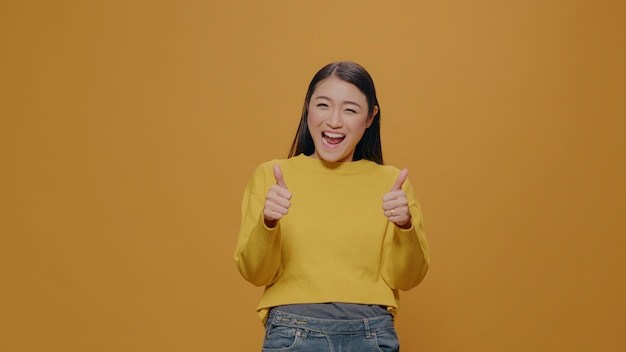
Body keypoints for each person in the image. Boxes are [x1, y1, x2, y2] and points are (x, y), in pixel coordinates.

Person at [234, 61, 430, 352]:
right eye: (323, 105)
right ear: (308, 107)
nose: (334, 121)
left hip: (371, 334)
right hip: (292, 332)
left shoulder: (391, 184)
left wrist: (405, 226)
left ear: (370, 117)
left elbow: (408, 278)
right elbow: (255, 273)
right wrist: (269, 223)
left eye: (350, 110)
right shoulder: (272, 176)